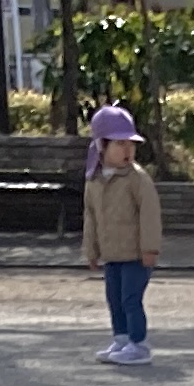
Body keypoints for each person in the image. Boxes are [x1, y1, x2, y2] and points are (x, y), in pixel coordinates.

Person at [80, 102, 163, 364]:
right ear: (101, 146)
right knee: (114, 298)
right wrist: (91, 250)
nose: (127, 150)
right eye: (119, 144)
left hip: (135, 254)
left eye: (131, 144)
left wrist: (150, 248)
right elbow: (90, 216)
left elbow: (150, 215)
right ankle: (121, 339)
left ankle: (139, 344)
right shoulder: (94, 180)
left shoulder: (137, 179)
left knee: (130, 298)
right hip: (111, 253)